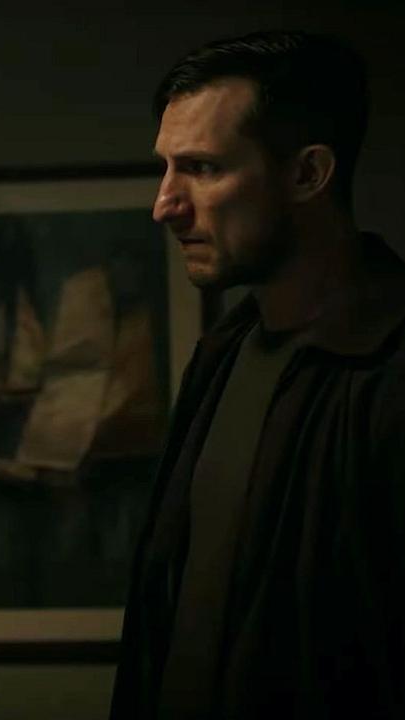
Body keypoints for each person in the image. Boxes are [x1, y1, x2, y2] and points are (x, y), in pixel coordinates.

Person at [112, 31, 405, 719]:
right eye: (166, 169)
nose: (165, 204)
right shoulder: (223, 354)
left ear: (307, 175)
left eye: (202, 168)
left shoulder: (386, 368)